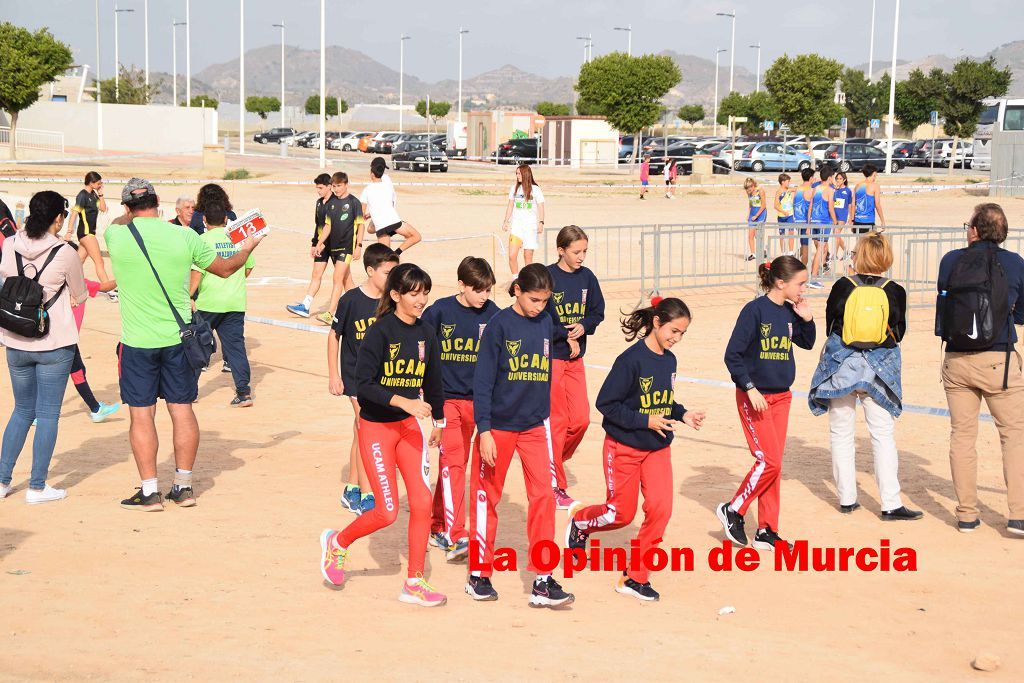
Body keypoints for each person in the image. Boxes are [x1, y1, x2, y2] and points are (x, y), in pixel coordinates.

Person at [105, 178, 262, 511]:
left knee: (142, 415)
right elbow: (226, 268)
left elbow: (117, 223)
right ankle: (184, 487)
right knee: (182, 410)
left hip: (137, 341)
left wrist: (127, 213)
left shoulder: (117, 235)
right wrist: (248, 246)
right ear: (158, 202)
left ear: (128, 207)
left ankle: (150, 492)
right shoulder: (185, 236)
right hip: (180, 338)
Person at [318, 263, 448, 607]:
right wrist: (404, 402)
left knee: (421, 502)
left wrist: (439, 420)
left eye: (425, 292)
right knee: (387, 511)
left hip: (409, 429)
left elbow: (433, 379)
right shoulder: (380, 332)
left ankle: (414, 581)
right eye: (414, 293)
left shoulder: (426, 333)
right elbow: (363, 385)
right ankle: (337, 543)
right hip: (376, 428)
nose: (421, 299)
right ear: (396, 295)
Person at [565, 297, 706, 601]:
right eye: (673, 331)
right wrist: (646, 421)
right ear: (657, 322)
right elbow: (607, 405)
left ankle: (634, 576)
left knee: (661, 509)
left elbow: (663, 399)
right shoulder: (630, 360)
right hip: (624, 448)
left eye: (682, 334)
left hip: (657, 447)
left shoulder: (669, 360)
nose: (676, 339)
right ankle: (580, 521)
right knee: (621, 514)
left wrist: (682, 414)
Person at [467, 263, 574, 607]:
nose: (539, 306)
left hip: (534, 426)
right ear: (516, 291)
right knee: (487, 498)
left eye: (545, 300)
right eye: (533, 299)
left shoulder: (545, 320)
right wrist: (483, 430)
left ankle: (543, 579)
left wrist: (575, 336)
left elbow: (557, 337)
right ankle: (479, 574)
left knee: (544, 498)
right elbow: (482, 382)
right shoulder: (498, 326)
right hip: (497, 426)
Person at [808, 232, 922, 520]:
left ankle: (847, 498)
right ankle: (890, 503)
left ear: (859, 255)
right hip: (878, 368)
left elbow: (832, 325)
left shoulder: (842, 286)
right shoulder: (894, 290)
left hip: (842, 365)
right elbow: (900, 332)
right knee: (882, 435)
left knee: (841, 433)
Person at [936, 203, 1024, 536]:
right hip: (998, 357)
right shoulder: (1015, 263)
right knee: (1014, 437)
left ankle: (967, 514)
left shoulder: (950, 260)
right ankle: (1018, 515)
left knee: (962, 437)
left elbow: (943, 301)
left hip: (958, 359)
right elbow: (1022, 313)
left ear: (974, 230)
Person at [717, 255, 816, 551]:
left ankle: (767, 529)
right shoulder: (754, 311)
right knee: (768, 461)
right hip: (755, 397)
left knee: (774, 465)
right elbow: (732, 355)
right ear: (780, 282)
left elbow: (807, 342)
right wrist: (749, 388)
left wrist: (807, 319)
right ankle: (733, 509)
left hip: (782, 396)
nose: (804, 288)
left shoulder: (790, 311)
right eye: (800, 283)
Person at [0, 191, 88, 503]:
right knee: (48, 414)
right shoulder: (65, 252)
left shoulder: (10, 244)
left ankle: (2, 481)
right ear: (58, 218)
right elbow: (80, 292)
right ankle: (37, 486)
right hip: (53, 341)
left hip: (15, 338)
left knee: (21, 410)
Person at [421, 256, 500, 561]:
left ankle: (438, 525)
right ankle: (456, 535)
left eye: (488, 290)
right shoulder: (439, 312)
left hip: (479, 404)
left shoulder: (494, 315)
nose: (483, 295)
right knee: (454, 463)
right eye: (478, 289)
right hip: (448, 401)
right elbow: (421, 347)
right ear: (462, 285)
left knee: (457, 465)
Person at [328, 243, 399, 517]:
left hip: (383, 379)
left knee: (361, 429)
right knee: (369, 429)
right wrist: (334, 374)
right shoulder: (351, 301)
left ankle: (351, 488)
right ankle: (369, 493)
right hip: (356, 379)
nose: (391, 277)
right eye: (386, 272)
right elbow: (334, 336)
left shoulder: (393, 302)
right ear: (370, 271)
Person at [546, 225, 605, 509]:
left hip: (575, 358)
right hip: (551, 359)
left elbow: (597, 312)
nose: (581, 257)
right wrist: (562, 335)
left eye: (584, 251)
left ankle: (552, 460)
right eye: (576, 252)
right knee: (557, 421)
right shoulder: (547, 277)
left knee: (581, 419)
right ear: (561, 251)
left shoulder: (587, 278)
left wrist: (583, 326)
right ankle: (555, 484)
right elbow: (538, 314)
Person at [189, 201, 256, 408]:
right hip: (235, 302)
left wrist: (188, 296)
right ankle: (243, 392)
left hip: (209, 302)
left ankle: (189, 392)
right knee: (236, 348)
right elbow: (247, 268)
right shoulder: (237, 239)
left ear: (204, 220)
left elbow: (196, 273)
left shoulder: (201, 240)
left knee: (197, 347)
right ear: (226, 220)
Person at [66, 247, 121, 423]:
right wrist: (125, 277)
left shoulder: (59, 279)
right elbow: (105, 287)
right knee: (71, 373)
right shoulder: (78, 281)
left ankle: (96, 408)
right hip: (65, 338)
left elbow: (103, 287)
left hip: (64, 337)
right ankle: (96, 409)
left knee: (77, 371)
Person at [286, 173, 333, 318]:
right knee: (316, 274)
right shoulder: (319, 203)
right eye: (317, 188)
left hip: (336, 245)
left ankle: (362, 308)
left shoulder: (336, 203)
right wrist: (315, 243)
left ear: (329, 186)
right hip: (321, 245)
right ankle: (305, 306)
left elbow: (332, 226)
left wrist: (322, 243)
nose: (318, 191)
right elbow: (318, 225)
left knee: (344, 279)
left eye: (321, 188)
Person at [64, 171, 114, 301]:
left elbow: (103, 208)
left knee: (78, 262)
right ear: (91, 183)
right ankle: (111, 291)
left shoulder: (94, 195)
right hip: (86, 233)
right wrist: (69, 232)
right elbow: (74, 214)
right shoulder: (82, 195)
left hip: (89, 233)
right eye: (99, 183)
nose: (101, 184)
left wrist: (101, 194)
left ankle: (66, 285)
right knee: (99, 262)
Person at [360, 157, 421, 255]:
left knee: (385, 257)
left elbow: (361, 215)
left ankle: (393, 254)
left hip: (381, 227)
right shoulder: (387, 182)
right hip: (393, 221)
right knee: (416, 236)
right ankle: (396, 253)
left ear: (371, 172)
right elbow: (390, 202)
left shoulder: (366, 190)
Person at [500, 163, 546, 274]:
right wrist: (506, 221)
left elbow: (541, 207)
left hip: (530, 228)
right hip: (516, 228)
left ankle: (528, 281)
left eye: (519, 174)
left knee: (528, 257)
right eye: (516, 174)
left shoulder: (535, 190)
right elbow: (510, 205)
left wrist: (541, 222)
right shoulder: (514, 189)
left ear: (525, 174)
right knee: (512, 256)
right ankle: (516, 279)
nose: (517, 176)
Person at [807, 167, 836, 289]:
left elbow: (811, 207)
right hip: (824, 222)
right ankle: (812, 277)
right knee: (820, 249)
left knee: (821, 249)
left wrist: (809, 223)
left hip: (814, 221)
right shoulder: (830, 190)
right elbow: (830, 208)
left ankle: (814, 276)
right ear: (829, 178)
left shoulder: (815, 189)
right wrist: (835, 221)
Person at [852, 165, 886, 258]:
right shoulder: (875, 186)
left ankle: (857, 264)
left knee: (860, 245)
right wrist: (883, 221)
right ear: (873, 174)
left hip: (857, 220)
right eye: (875, 174)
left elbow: (853, 204)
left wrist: (852, 220)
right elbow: (877, 204)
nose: (876, 176)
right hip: (868, 221)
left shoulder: (858, 186)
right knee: (870, 247)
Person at [793, 167, 815, 265]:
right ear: (810, 178)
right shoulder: (810, 190)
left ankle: (794, 260)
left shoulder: (797, 189)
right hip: (806, 222)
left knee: (803, 244)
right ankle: (803, 269)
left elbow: (794, 203)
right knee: (806, 247)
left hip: (797, 220)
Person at [830, 171, 852, 262]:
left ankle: (834, 254)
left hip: (842, 215)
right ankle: (846, 252)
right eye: (837, 179)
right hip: (834, 215)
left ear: (844, 180)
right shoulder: (834, 190)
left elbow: (850, 204)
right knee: (836, 235)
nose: (838, 180)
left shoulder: (847, 191)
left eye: (840, 179)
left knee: (837, 234)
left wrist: (851, 217)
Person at [745, 177, 767, 261]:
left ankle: (764, 249)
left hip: (761, 213)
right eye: (747, 188)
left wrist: (756, 216)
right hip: (753, 213)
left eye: (750, 187)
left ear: (753, 185)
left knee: (758, 235)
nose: (748, 189)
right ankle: (753, 254)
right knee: (750, 235)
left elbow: (764, 205)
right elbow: (750, 204)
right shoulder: (749, 192)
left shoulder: (760, 191)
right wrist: (748, 214)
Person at [774, 173, 796, 256]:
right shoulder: (779, 192)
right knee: (782, 235)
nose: (789, 183)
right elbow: (775, 205)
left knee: (791, 232)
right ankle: (783, 253)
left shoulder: (789, 190)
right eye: (788, 181)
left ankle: (790, 252)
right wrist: (783, 211)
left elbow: (798, 189)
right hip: (782, 216)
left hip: (790, 215)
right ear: (782, 182)